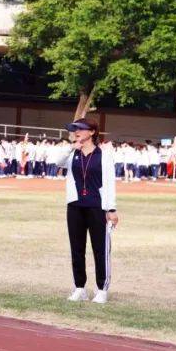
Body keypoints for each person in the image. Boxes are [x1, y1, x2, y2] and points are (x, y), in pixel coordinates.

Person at [61, 118, 118, 305]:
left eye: (80, 129)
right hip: (75, 205)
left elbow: (109, 182)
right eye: (74, 129)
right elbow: (54, 161)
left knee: (100, 249)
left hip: (97, 206)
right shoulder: (72, 154)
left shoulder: (104, 154)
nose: (76, 132)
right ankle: (80, 288)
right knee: (77, 249)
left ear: (92, 132)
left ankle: (102, 289)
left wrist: (111, 209)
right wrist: (71, 147)